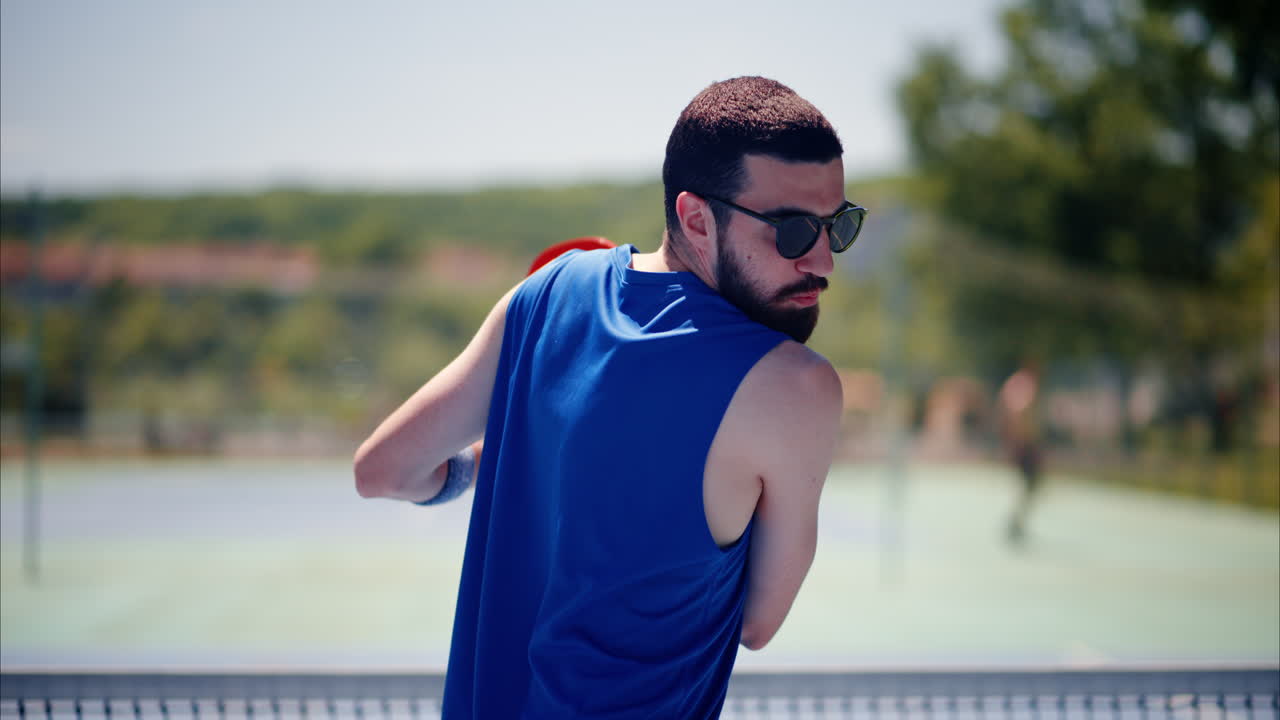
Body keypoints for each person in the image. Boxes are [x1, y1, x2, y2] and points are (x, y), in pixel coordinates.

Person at [354, 76, 866, 718]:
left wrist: (485, 466)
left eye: (837, 226)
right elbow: (757, 623)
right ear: (696, 219)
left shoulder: (546, 294)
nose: (823, 262)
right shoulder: (795, 385)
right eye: (792, 232)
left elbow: (382, 470)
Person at [998, 359, 1045, 546]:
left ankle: (1016, 520)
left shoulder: (1015, 383)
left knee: (1031, 485)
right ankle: (1015, 521)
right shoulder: (1024, 384)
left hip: (1022, 443)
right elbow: (1019, 409)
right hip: (1025, 444)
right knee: (1031, 484)